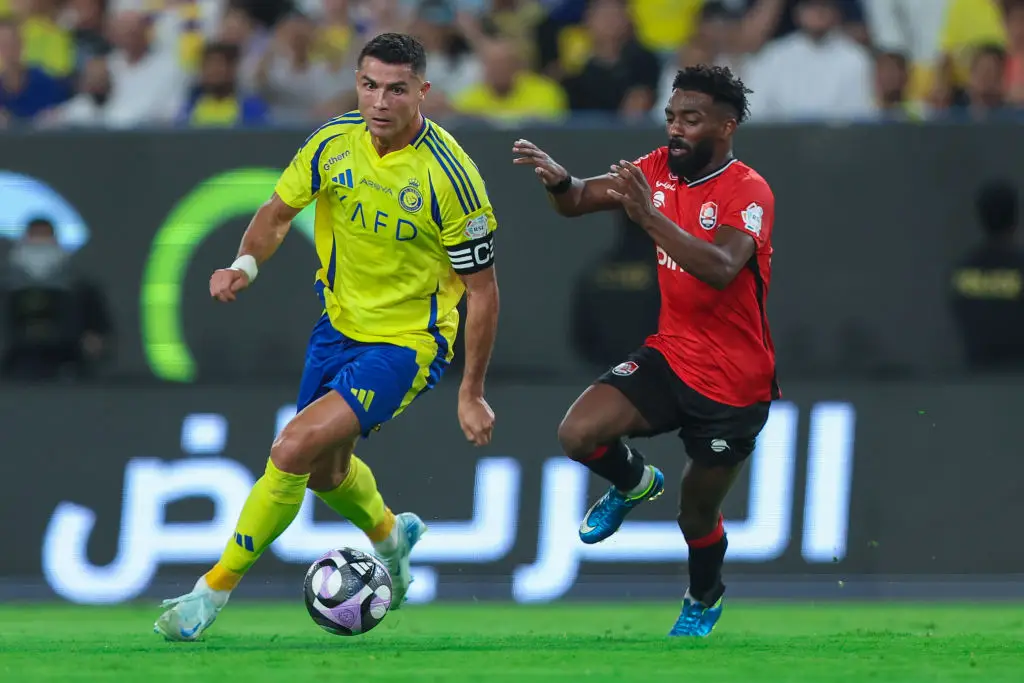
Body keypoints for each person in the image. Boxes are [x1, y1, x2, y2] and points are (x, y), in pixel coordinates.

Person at [155, 33, 500, 641]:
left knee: (290, 449)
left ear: (423, 91)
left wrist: (470, 390)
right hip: (336, 329)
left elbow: (482, 290)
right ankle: (392, 536)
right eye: (369, 85)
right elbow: (278, 211)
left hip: (406, 343)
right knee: (322, 472)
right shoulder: (333, 141)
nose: (380, 101)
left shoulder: (452, 178)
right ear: (356, 83)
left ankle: (210, 593)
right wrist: (245, 266)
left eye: (397, 89)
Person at [512, 64, 777, 637]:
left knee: (696, 513)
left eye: (691, 119)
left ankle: (704, 598)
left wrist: (648, 216)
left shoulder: (748, 191)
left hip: (733, 384)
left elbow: (721, 267)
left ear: (726, 126)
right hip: (671, 354)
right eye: (671, 117)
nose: (675, 129)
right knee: (577, 433)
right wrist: (561, 181)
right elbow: (580, 199)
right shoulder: (655, 168)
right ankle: (633, 481)